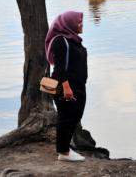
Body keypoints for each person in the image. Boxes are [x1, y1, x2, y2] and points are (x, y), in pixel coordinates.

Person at [45, 11, 88, 162]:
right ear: (68, 24)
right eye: (78, 22)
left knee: (75, 116)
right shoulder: (60, 41)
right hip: (66, 86)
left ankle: (65, 148)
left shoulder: (74, 40)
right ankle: (63, 152)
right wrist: (67, 88)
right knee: (66, 118)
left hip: (78, 85)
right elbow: (60, 68)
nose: (81, 24)